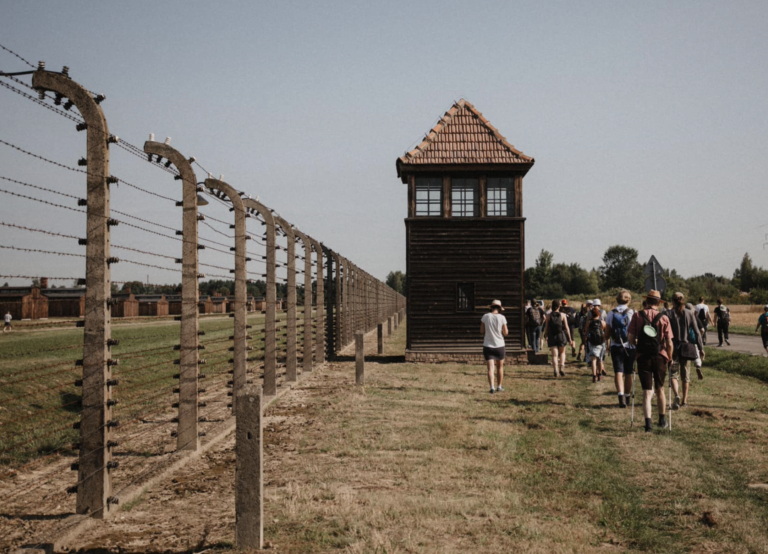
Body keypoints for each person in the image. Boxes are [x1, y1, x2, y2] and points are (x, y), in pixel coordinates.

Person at [628, 290, 674, 433]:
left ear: (647, 301)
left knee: (647, 391)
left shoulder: (637, 316)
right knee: (660, 388)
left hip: (643, 357)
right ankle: (662, 419)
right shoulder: (664, 318)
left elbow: (630, 338)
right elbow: (669, 343)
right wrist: (669, 357)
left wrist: (638, 346)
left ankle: (648, 425)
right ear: (659, 303)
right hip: (660, 356)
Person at [668, 292, 705, 409]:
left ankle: (676, 395)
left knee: (673, 373)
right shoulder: (689, 313)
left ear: (672, 301)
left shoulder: (668, 313)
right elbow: (697, 332)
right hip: (686, 347)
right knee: (685, 375)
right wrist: (701, 348)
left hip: (673, 347)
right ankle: (684, 401)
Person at [605, 290, 636, 407]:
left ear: (617, 299)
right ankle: (627, 397)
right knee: (628, 372)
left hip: (616, 345)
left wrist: (605, 339)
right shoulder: (632, 313)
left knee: (618, 372)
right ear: (629, 300)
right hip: (630, 346)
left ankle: (620, 396)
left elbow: (607, 333)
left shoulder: (611, 313)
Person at [481, 300, 508, 393]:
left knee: (490, 368)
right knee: (500, 367)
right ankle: (499, 386)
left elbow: (481, 331)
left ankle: (491, 387)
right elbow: (506, 332)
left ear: (491, 307)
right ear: (499, 308)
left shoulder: (485, 316)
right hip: (499, 345)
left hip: (488, 345)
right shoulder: (502, 317)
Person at [544, 300, 575, 378]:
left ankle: (555, 370)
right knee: (562, 353)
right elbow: (567, 328)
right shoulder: (563, 315)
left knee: (554, 355)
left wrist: (546, 336)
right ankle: (562, 366)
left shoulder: (548, 316)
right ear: (559, 306)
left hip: (552, 336)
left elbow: (546, 328)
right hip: (561, 335)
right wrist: (570, 338)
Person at [585, 307, 608, 382]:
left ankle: (594, 376)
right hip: (601, 342)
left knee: (593, 360)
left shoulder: (589, 322)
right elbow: (606, 332)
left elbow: (586, 332)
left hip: (592, 342)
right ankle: (600, 374)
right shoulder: (602, 322)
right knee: (600, 359)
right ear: (599, 314)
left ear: (591, 314)